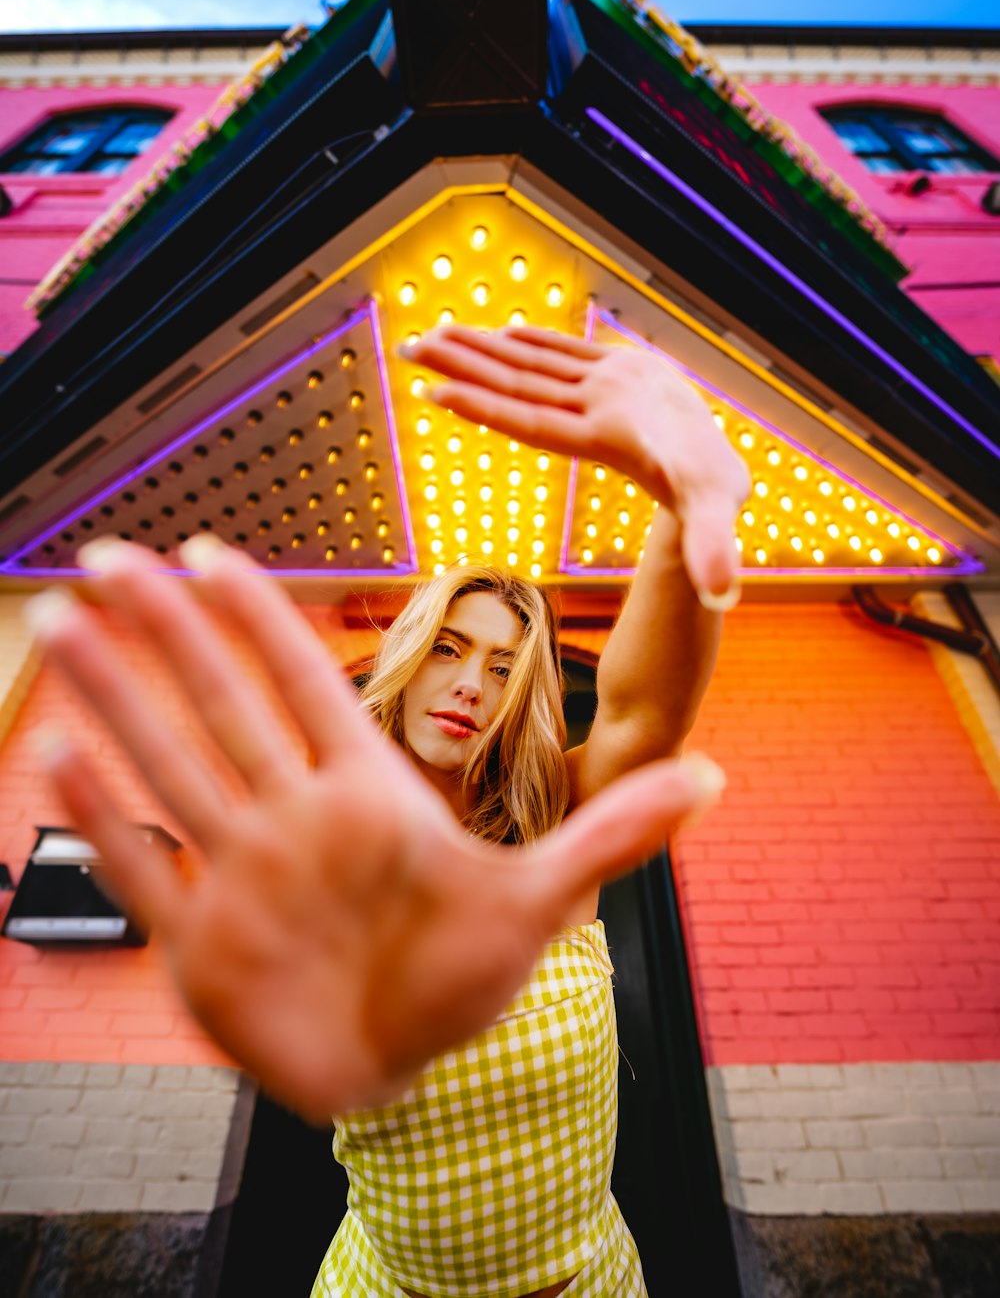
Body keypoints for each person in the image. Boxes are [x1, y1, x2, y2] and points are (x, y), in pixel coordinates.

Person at [26, 323, 749, 1297]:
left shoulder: (552, 824)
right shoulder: (320, 854)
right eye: (449, 646)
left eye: (503, 665)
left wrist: (681, 501)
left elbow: (638, 708)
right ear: (407, 658)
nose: (470, 682)